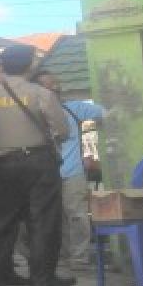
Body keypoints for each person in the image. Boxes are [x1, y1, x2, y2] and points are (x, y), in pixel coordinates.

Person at [0, 46, 73, 286]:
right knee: (43, 222)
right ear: (30, 65)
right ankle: (43, 282)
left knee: (3, 223)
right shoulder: (40, 93)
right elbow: (63, 131)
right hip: (38, 161)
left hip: (1, 164)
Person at [35, 70, 105, 271]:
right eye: (48, 85)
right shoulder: (31, 114)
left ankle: (79, 258)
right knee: (53, 217)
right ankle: (61, 256)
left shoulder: (75, 108)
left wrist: (93, 145)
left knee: (77, 215)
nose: (55, 88)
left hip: (72, 171)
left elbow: (106, 113)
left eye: (56, 84)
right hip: (45, 172)